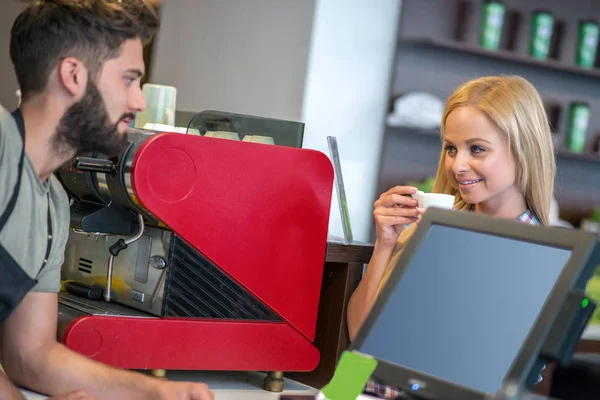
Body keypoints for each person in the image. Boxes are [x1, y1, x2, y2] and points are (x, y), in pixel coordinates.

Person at [0, 1, 214, 399]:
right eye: (129, 80)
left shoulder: (52, 207)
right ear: (73, 75)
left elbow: (30, 354)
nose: (138, 102)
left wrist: (155, 393)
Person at [347, 75, 555, 399]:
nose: (457, 166)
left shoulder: (541, 255)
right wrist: (385, 245)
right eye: (451, 148)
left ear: (523, 150)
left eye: (477, 149)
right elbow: (359, 339)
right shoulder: (430, 225)